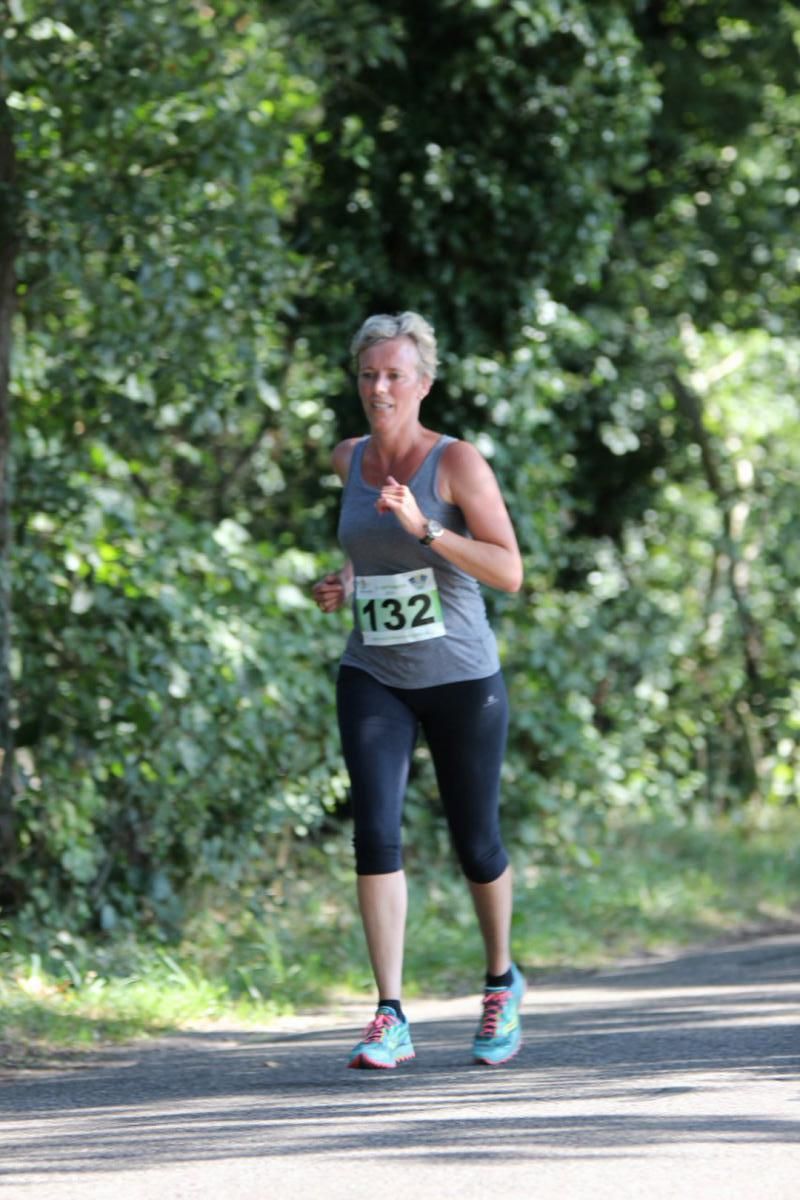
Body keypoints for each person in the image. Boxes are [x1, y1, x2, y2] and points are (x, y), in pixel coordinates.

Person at [312, 311, 525, 1070]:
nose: (379, 387)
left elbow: (509, 571)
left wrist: (427, 529)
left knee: (476, 843)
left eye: (395, 374)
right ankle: (389, 1013)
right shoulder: (349, 457)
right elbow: (371, 557)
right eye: (369, 374)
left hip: (463, 678)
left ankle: (501, 980)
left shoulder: (456, 463)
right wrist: (347, 584)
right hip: (374, 673)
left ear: (423, 383)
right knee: (375, 833)